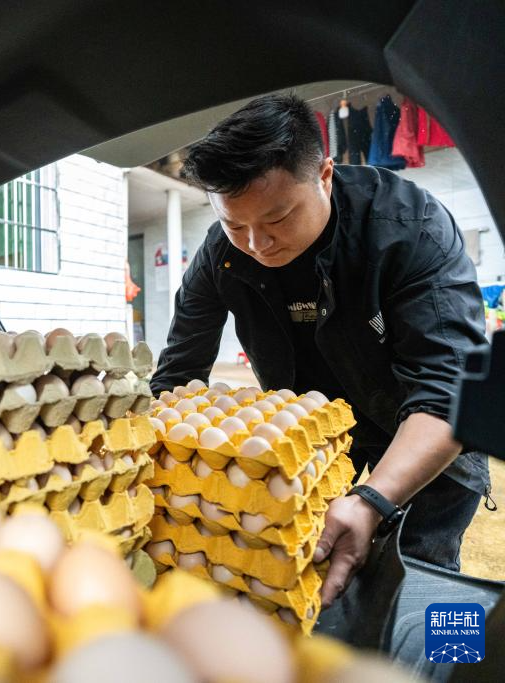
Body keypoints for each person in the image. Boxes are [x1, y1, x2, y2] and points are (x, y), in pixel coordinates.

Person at [149, 94, 491, 607]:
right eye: (234, 224)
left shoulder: (406, 228)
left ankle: (445, 649)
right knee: (300, 569)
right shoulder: (222, 254)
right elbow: (177, 372)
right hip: (314, 437)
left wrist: (372, 498)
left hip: (421, 434)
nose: (257, 244)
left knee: (420, 577)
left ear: (325, 175)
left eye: (279, 218)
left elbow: (450, 391)